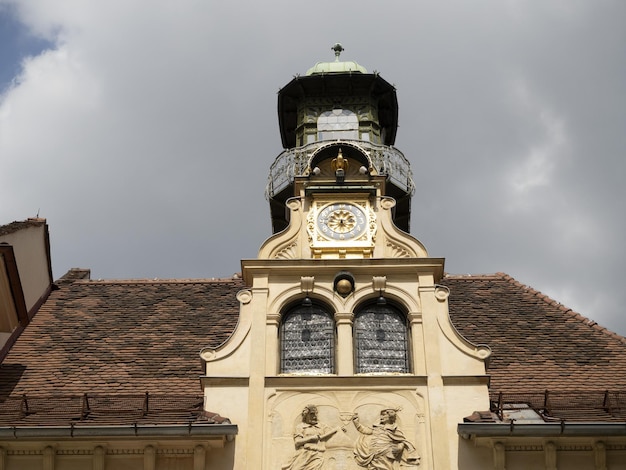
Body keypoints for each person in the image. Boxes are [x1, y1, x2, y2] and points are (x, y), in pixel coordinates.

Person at [282, 405, 345, 470]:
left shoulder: (322, 426)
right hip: (304, 456)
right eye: (312, 414)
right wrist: (310, 438)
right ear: (306, 415)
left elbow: (332, 432)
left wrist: (339, 430)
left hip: (318, 456)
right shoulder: (300, 427)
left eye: (316, 414)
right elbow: (297, 442)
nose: (314, 416)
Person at [352, 408, 420, 469]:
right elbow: (365, 431)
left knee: (386, 467)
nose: (381, 417)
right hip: (374, 454)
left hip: (386, 453)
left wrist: (399, 448)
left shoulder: (394, 429)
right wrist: (356, 423)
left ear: (390, 416)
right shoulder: (377, 427)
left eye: (384, 415)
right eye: (381, 415)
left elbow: (402, 441)